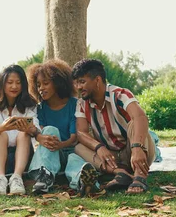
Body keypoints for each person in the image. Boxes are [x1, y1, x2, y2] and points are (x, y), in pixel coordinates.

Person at [72, 59, 156, 194]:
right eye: (76, 83)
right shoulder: (82, 104)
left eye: (82, 82)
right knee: (78, 147)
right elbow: (81, 132)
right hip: (111, 156)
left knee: (136, 122)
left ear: (97, 80)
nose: (78, 87)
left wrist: (136, 148)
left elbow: (140, 117)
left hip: (136, 150)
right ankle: (121, 174)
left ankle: (140, 176)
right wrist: (99, 147)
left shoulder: (120, 94)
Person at [26, 59, 89, 194]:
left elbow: (74, 137)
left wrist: (61, 145)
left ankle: (82, 180)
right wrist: (51, 143)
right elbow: (43, 133)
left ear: (58, 82)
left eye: (46, 83)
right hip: (52, 153)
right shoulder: (40, 108)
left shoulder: (74, 104)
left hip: (72, 149)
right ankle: (44, 177)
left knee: (74, 160)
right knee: (50, 130)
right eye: (38, 85)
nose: (41, 88)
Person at [0, 64, 39, 195]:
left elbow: (34, 124)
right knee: (0, 134)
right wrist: (4, 127)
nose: (14, 86)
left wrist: (28, 128)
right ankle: (0, 179)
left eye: (18, 83)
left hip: (23, 158)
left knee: (24, 134)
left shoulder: (30, 104)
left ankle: (17, 177)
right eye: (10, 82)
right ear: (2, 84)